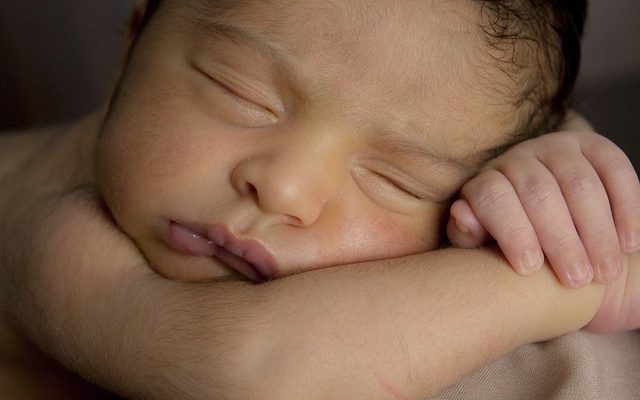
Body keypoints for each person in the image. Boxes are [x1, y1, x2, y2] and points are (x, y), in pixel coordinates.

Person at [0, 0, 638, 399]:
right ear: (132, 45)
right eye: (241, 92)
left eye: (398, 180)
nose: (285, 189)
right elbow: (256, 369)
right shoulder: (47, 224)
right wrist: (575, 278)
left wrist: (554, 180)